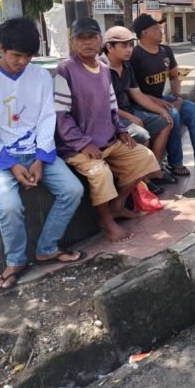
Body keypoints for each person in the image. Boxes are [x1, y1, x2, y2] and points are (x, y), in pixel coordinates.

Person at [0, 17, 85, 293]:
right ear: (0, 48)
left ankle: (47, 248)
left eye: (29, 56)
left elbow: (46, 118)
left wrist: (41, 160)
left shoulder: (41, 76)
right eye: (17, 55)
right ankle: (16, 262)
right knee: (9, 205)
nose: (23, 62)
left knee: (73, 190)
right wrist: (11, 165)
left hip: (37, 151)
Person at [54, 17, 162, 243]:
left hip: (108, 140)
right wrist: (82, 143)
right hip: (77, 146)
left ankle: (118, 205)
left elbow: (112, 106)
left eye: (91, 37)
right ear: (72, 42)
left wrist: (120, 130)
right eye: (80, 38)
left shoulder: (104, 69)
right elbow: (61, 115)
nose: (86, 43)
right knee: (100, 173)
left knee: (144, 157)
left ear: (100, 41)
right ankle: (106, 221)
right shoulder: (65, 70)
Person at [130, 14, 195, 177]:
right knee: (173, 114)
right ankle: (175, 163)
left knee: (193, 109)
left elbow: (174, 76)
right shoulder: (135, 56)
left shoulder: (165, 51)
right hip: (142, 103)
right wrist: (160, 102)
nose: (161, 31)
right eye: (156, 28)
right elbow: (134, 92)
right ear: (144, 32)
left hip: (162, 99)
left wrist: (177, 97)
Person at [100, 25, 177, 192]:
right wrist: (131, 118)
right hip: (110, 117)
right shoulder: (100, 69)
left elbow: (137, 94)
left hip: (128, 112)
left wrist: (161, 111)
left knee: (165, 122)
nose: (129, 49)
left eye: (130, 45)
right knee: (142, 134)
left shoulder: (126, 66)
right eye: (124, 45)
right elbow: (103, 106)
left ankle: (153, 170)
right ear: (110, 47)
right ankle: (143, 180)